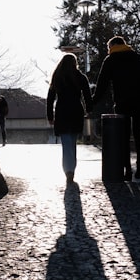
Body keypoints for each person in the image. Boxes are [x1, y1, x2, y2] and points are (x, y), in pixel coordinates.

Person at [92, 36, 140, 180]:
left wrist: (91, 102)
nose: (108, 51)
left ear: (112, 45)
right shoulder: (138, 58)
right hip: (139, 102)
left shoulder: (111, 60)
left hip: (122, 103)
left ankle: (127, 170)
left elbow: (102, 85)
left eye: (109, 48)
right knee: (138, 133)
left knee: (123, 136)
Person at [46, 53, 93, 184]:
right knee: (72, 143)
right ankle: (71, 170)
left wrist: (50, 116)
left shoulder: (57, 77)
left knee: (66, 144)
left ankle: (68, 171)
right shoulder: (80, 77)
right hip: (76, 111)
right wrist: (89, 110)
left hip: (62, 112)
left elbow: (50, 99)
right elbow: (87, 96)